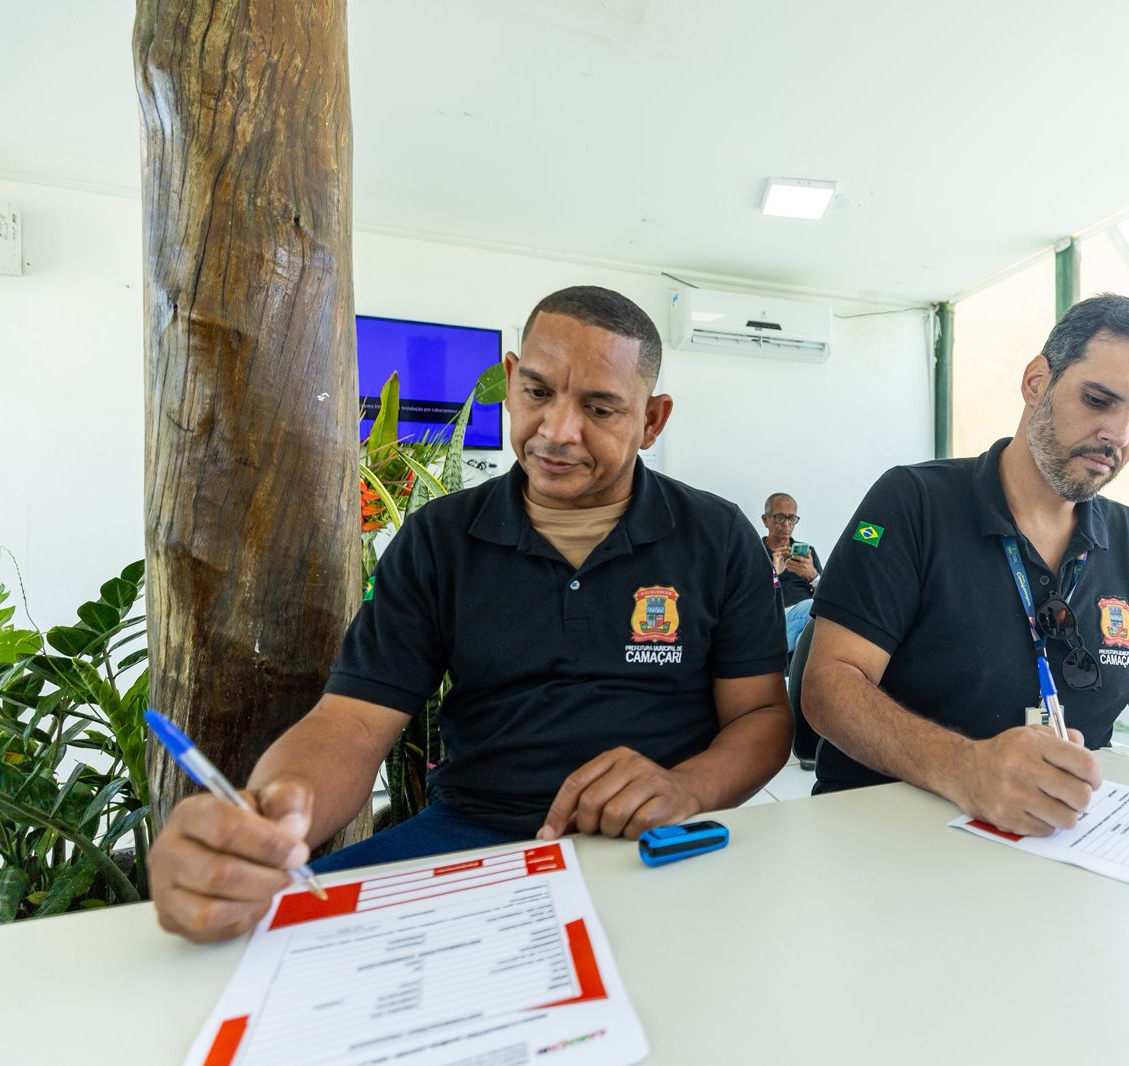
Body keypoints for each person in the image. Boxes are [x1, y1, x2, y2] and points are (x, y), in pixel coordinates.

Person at [149, 286, 792, 942]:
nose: (557, 432)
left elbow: (763, 717)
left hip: (657, 838)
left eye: (600, 408)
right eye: (538, 393)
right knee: (262, 937)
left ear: (652, 420)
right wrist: (267, 826)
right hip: (470, 836)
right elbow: (352, 721)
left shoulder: (716, 536)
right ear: (510, 381)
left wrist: (685, 789)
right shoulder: (439, 539)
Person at [802, 293, 1129, 838]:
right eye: (1098, 400)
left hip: (1060, 844)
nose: (1118, 437)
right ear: (1036, 382)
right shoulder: (913, 501)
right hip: (890, 837)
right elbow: (830, 683)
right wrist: (966, 769)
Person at [761, 492, 823, 652]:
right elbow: (748, 598)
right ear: (765, 519)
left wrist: (813, 576)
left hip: (806, 621)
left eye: (792, 518)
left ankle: (795, 671)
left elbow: (827, 597)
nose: (787, 524)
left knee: (811, 629)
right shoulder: (753, 553)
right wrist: (774, 573)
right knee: (811, 609)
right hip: (773, 618)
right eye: (780, 517)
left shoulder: (808, 553)